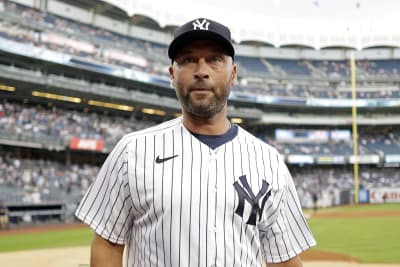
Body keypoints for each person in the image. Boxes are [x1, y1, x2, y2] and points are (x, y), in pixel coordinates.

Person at [75, 17, 316, 267]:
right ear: (172, 74)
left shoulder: (269, 161)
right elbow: (108, 243)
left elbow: (284, 260)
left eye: (215, 59)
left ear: (233, 74)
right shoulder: (132, 151)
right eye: (188, 60)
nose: (201, 70)